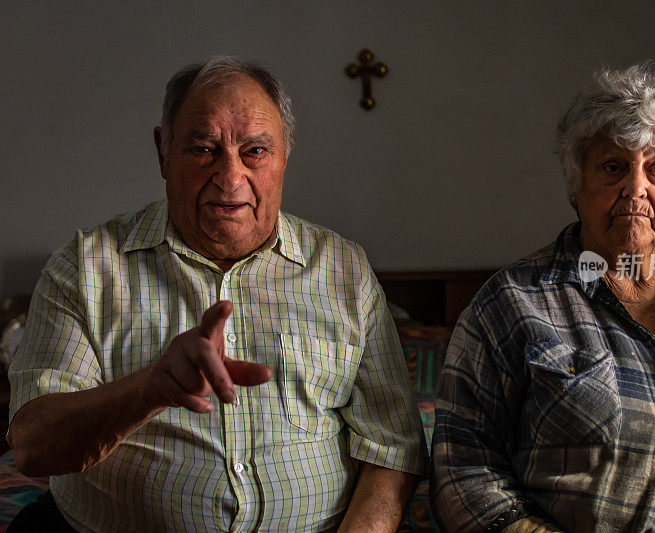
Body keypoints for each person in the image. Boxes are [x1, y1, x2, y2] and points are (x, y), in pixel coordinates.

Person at [8, 56, 426, 532]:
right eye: (203, 148)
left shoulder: (345, 270)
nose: (230, 177)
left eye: (255, 151)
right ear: (163, 152)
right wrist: (148, 390)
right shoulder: (84, 267)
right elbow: (33, 444)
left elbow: (393, 447)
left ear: (285, 154)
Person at [431, 64, 655, 532]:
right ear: (577, 185)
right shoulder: (511, 305)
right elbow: (462, 470)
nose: (636, 187)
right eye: (613, 167)